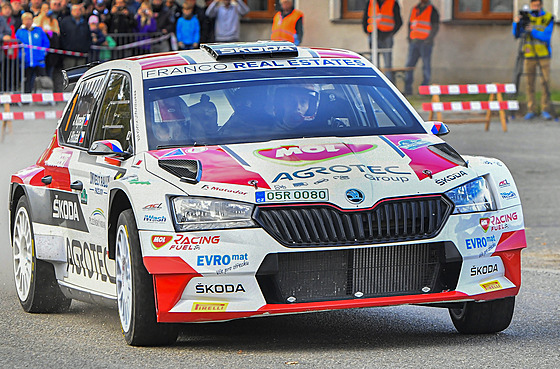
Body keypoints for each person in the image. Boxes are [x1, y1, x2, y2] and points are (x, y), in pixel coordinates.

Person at [513, 0, 554, 120]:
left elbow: (546, 36)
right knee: (529, 84)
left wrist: (533, 30)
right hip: (529, 55)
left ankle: (545, 110)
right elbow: (517, 35)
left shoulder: (548, 17)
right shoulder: (526, 16)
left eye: (537, 5)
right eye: (533, 5)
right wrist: (517, 24)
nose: (535, 7)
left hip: (544, 55)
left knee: (545, 83)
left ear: (541, 5)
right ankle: (531, 109)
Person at [404, 0, 439, 96]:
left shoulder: (432, 10)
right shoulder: (415, 9)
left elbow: (435, 27)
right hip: (414, 42)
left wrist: (428, 39)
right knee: (409, 66)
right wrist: (409, 37)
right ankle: (408, 90)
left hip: (425, 43)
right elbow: (410, 24)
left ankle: (424, 90)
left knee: (426, 66)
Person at [362, 0, 402, 83]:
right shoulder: (370, 2)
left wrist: (391, 33)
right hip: (373, 35)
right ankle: (375, 83)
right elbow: (365, 18)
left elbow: (398, 21)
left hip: (386, 36)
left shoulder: (392, 3)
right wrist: (367, 31)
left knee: (387, 63)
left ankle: (389, 84)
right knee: (374, 62)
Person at [15, 12, 50, 93]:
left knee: (43, 79)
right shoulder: (20, 32)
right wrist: (21, 56)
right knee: (27, 80)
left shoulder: (38, 30)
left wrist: (43, 53)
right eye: (25, 19)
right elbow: (17, 46)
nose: (27, 21)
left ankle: (45, 97)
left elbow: (46, 43)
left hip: (39, 60)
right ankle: (27, 98)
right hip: (26, 61)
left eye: (29, 19)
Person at [33, 2, 60, 78]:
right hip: (40, 48)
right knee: (40, 72)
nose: (46, 11)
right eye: (44, 9)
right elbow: (37, 29)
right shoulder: (36, 18)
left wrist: (50, 32)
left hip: (51, 48)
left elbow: (57, 32)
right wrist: (42, 17)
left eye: (47, 9)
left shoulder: (53, 20)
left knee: (50, 72)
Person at [60, 3, 91, 68]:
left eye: (79, 10)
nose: (77, 12)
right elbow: (62, 36)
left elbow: (88, 36)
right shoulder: (65, 22)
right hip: (69, 54)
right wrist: (66, 47)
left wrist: (86, 48)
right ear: (71, 11)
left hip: (82, 54)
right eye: (75, 10)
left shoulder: (85, 23)